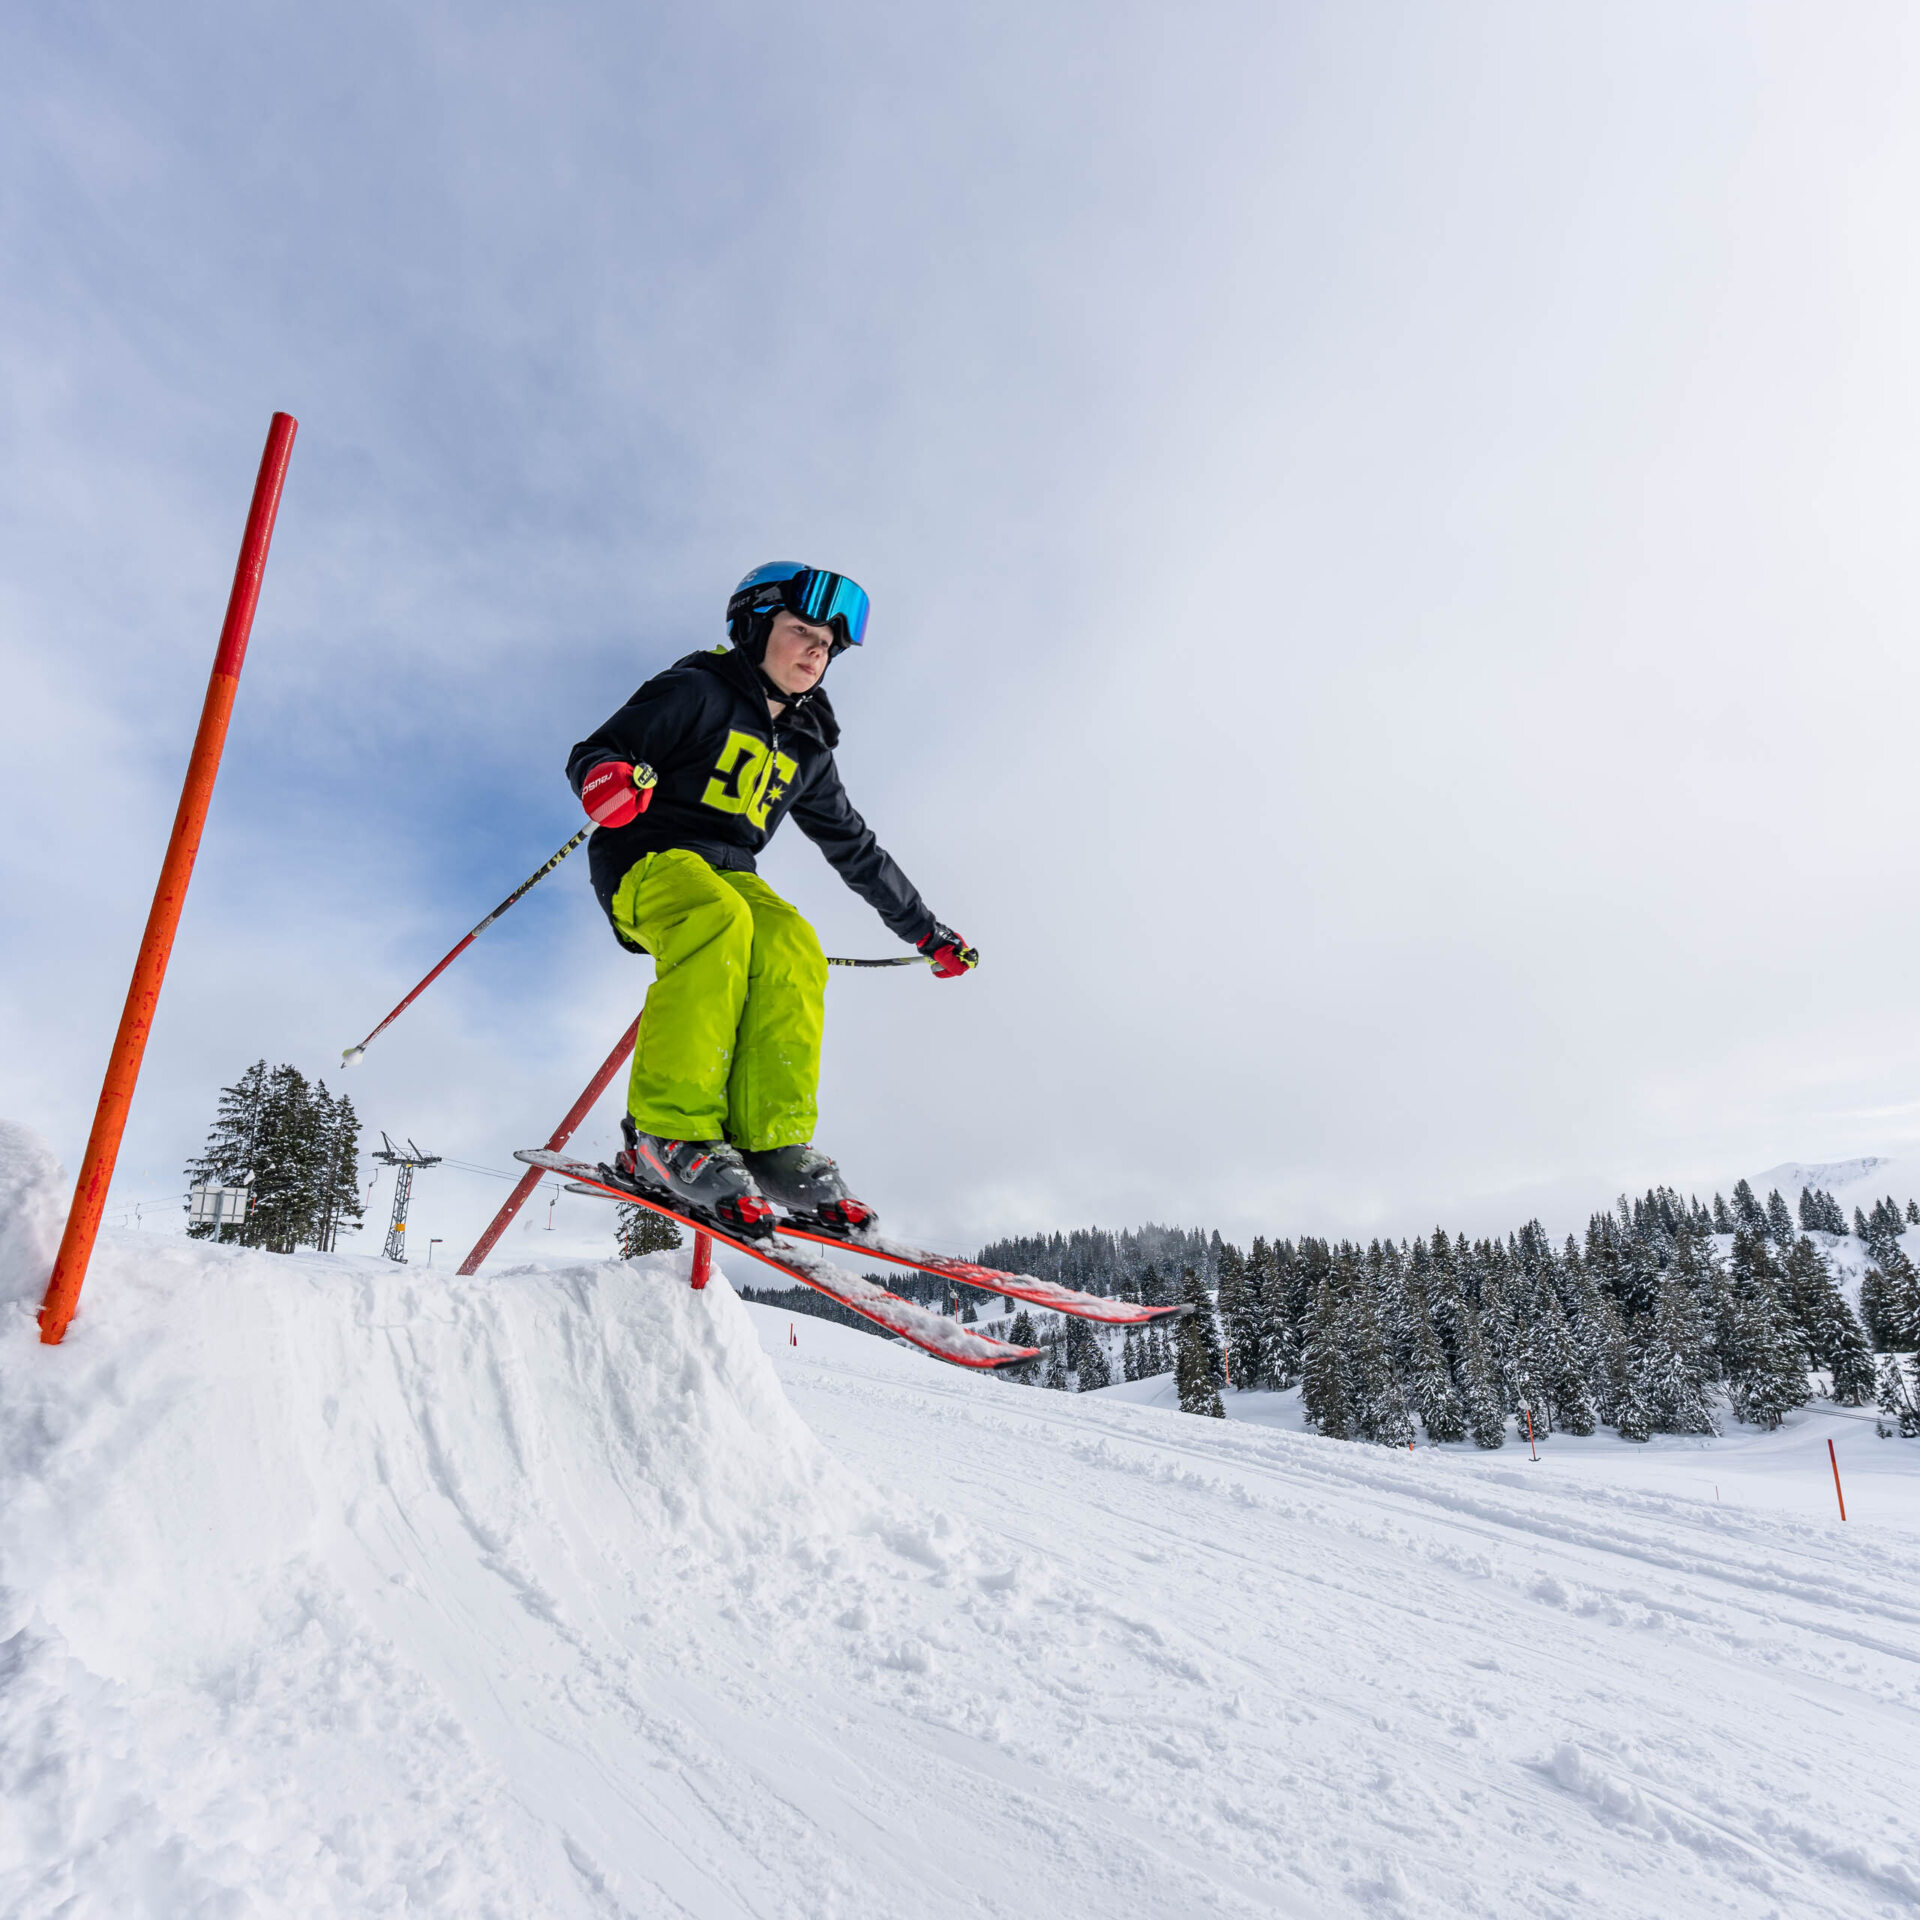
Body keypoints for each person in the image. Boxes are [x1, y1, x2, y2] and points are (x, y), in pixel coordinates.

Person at [566, 563, 976, 1237]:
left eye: (827, 645)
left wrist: (926, 932)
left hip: (732, 871)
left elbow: (856, 848)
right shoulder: (696, 691)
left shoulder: (808, 747)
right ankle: (665, 1135)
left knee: (791, 943)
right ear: (755, 630)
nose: (816, 651)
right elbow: (602, 748)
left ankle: (771, 1143)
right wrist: (606, 778)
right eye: (801, 631)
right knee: (717, 919)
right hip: (646, 857)